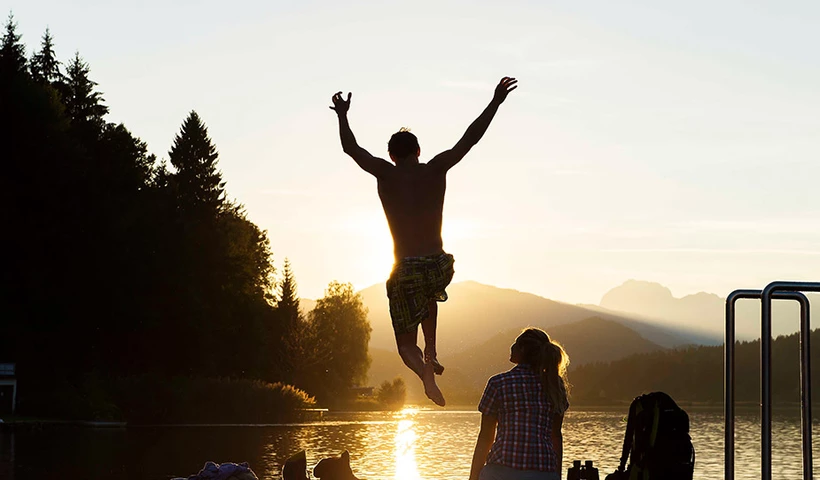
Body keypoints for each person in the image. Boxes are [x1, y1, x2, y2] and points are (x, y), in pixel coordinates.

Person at [330, 77, 518, 406]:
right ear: (418, 151)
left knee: (405, 345)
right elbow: (469, 139)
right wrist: (495, 102)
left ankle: (424, 370)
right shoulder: (436, 168)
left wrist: (342, 115)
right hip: (437, 263)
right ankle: (432, 350)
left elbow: (351, 149)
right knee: (429, 289)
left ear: (391, 155)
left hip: (404, 266)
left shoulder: (384, 173)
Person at [468, 328, 570, 480]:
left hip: (502, 471)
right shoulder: (554, 385)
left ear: (522, 350)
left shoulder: (498, 383)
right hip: (544, 473)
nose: (511, 347)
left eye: (515, 343)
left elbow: (486, 437)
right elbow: (556, 436)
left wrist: (473, 477)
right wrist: (557, 476)